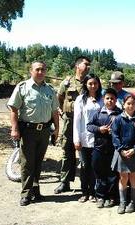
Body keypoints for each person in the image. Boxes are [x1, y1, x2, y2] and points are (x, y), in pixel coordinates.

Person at [7, 61, 59, 206]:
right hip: (28, 131)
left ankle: (35, 191)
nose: (41, 72)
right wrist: (14, 128)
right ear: (31, 71)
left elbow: (54, 111)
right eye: (38, 69)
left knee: (38, 162)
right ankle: (26, 194)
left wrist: (57, 129)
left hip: (44, 131)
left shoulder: (49, 89)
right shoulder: (23, 87)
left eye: (43, 70)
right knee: (27, 163)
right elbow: (13, 109)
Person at [55, 56, 91, 194]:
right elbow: (59, 98)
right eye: (86, 64)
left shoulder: (91, 82)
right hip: (69, 123)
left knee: (86, 154)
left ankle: (86, 184)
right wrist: (61, 111)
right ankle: (65, 182)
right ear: (77, 66)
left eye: (89, 65)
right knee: (67, 153)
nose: (88, 67)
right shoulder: (66, 82)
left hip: (85, 124)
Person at [111, 94, 135, 214]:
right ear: (123, 105)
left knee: (134, 178)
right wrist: (121, 149)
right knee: (123, 178)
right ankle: (122, 202)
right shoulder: (118, 119)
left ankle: (133, 202)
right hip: (122, 153)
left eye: (133, 103)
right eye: (128, 103)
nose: (131, 106)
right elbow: (115, 136)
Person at [87, 88, 122, 208]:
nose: (110, 101)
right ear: (103, 99)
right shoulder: (98, 113)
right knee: (100, 173)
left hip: (114, 149)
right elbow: (89, 126)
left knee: (112, 174)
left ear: (116, 100)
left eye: (112, 98)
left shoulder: (120, 114)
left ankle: (111, 197)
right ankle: (100, 196)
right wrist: (99, 129)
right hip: (99, 148)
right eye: (107, 98)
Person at [73, 74, 103, 203]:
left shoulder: (102, 99)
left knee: (96, 166)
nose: (93, 86)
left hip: (100, 139)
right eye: (90, 83)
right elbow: (76, 120)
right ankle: (85, 192)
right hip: (84, 138)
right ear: (85, 84)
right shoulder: (81, 99)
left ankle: (94, 192)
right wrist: (76, 139)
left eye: (95, 83)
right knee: (85, 166)